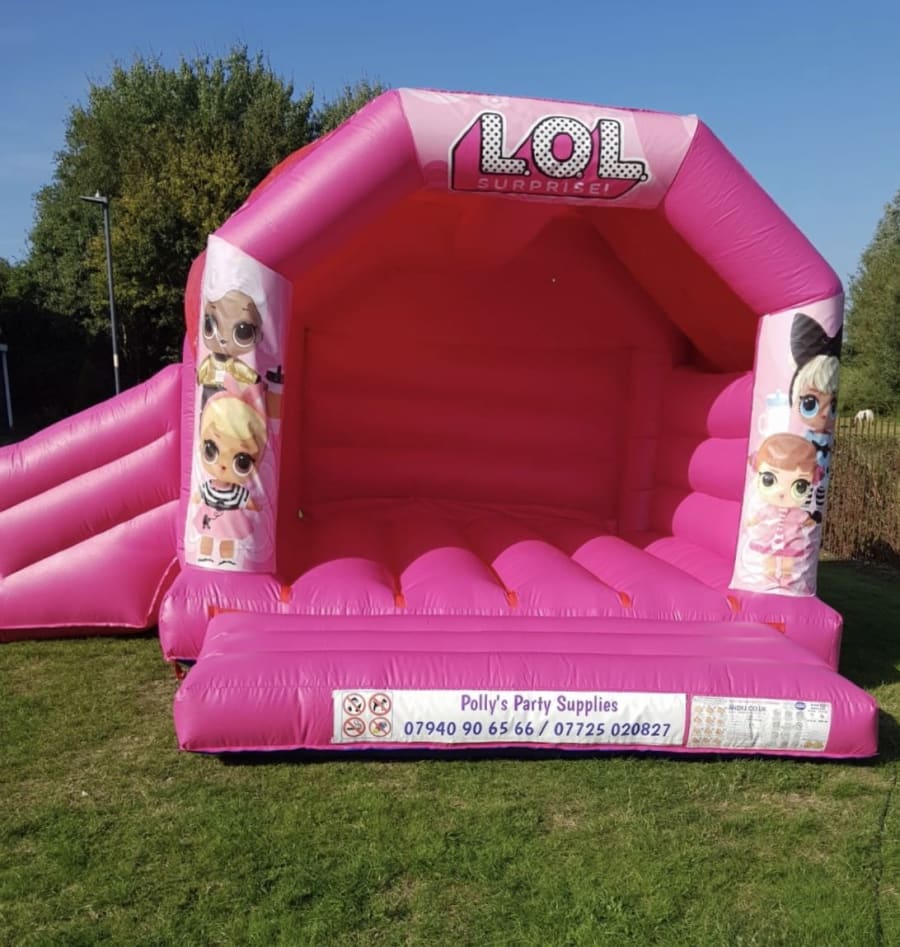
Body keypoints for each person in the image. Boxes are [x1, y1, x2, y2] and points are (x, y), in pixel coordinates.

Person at [191, 388, 268, 567]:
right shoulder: (209, 486)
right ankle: (205, 555)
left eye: (242, 462)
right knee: (207, 537)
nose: (222, 466)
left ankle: (226, 559)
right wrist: (196, 498)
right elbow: (200, 493)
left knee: (228, 541)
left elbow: (245, 500)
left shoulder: (237, 492)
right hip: (210, 515)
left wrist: (254, 506)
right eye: (210, 450)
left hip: (231, 517)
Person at [743, 433, 820, 593]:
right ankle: (769, 576)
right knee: (769, 558)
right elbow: (761, 515)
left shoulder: (797, 512)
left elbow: (803, 518)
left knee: (788, 561)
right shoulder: (769, 508)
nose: (781, 493)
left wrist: (809, 521)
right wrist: (753, 520)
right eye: (769, 480)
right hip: (769, 539)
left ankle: (786, 577)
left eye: (800, 486)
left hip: (791, 541)